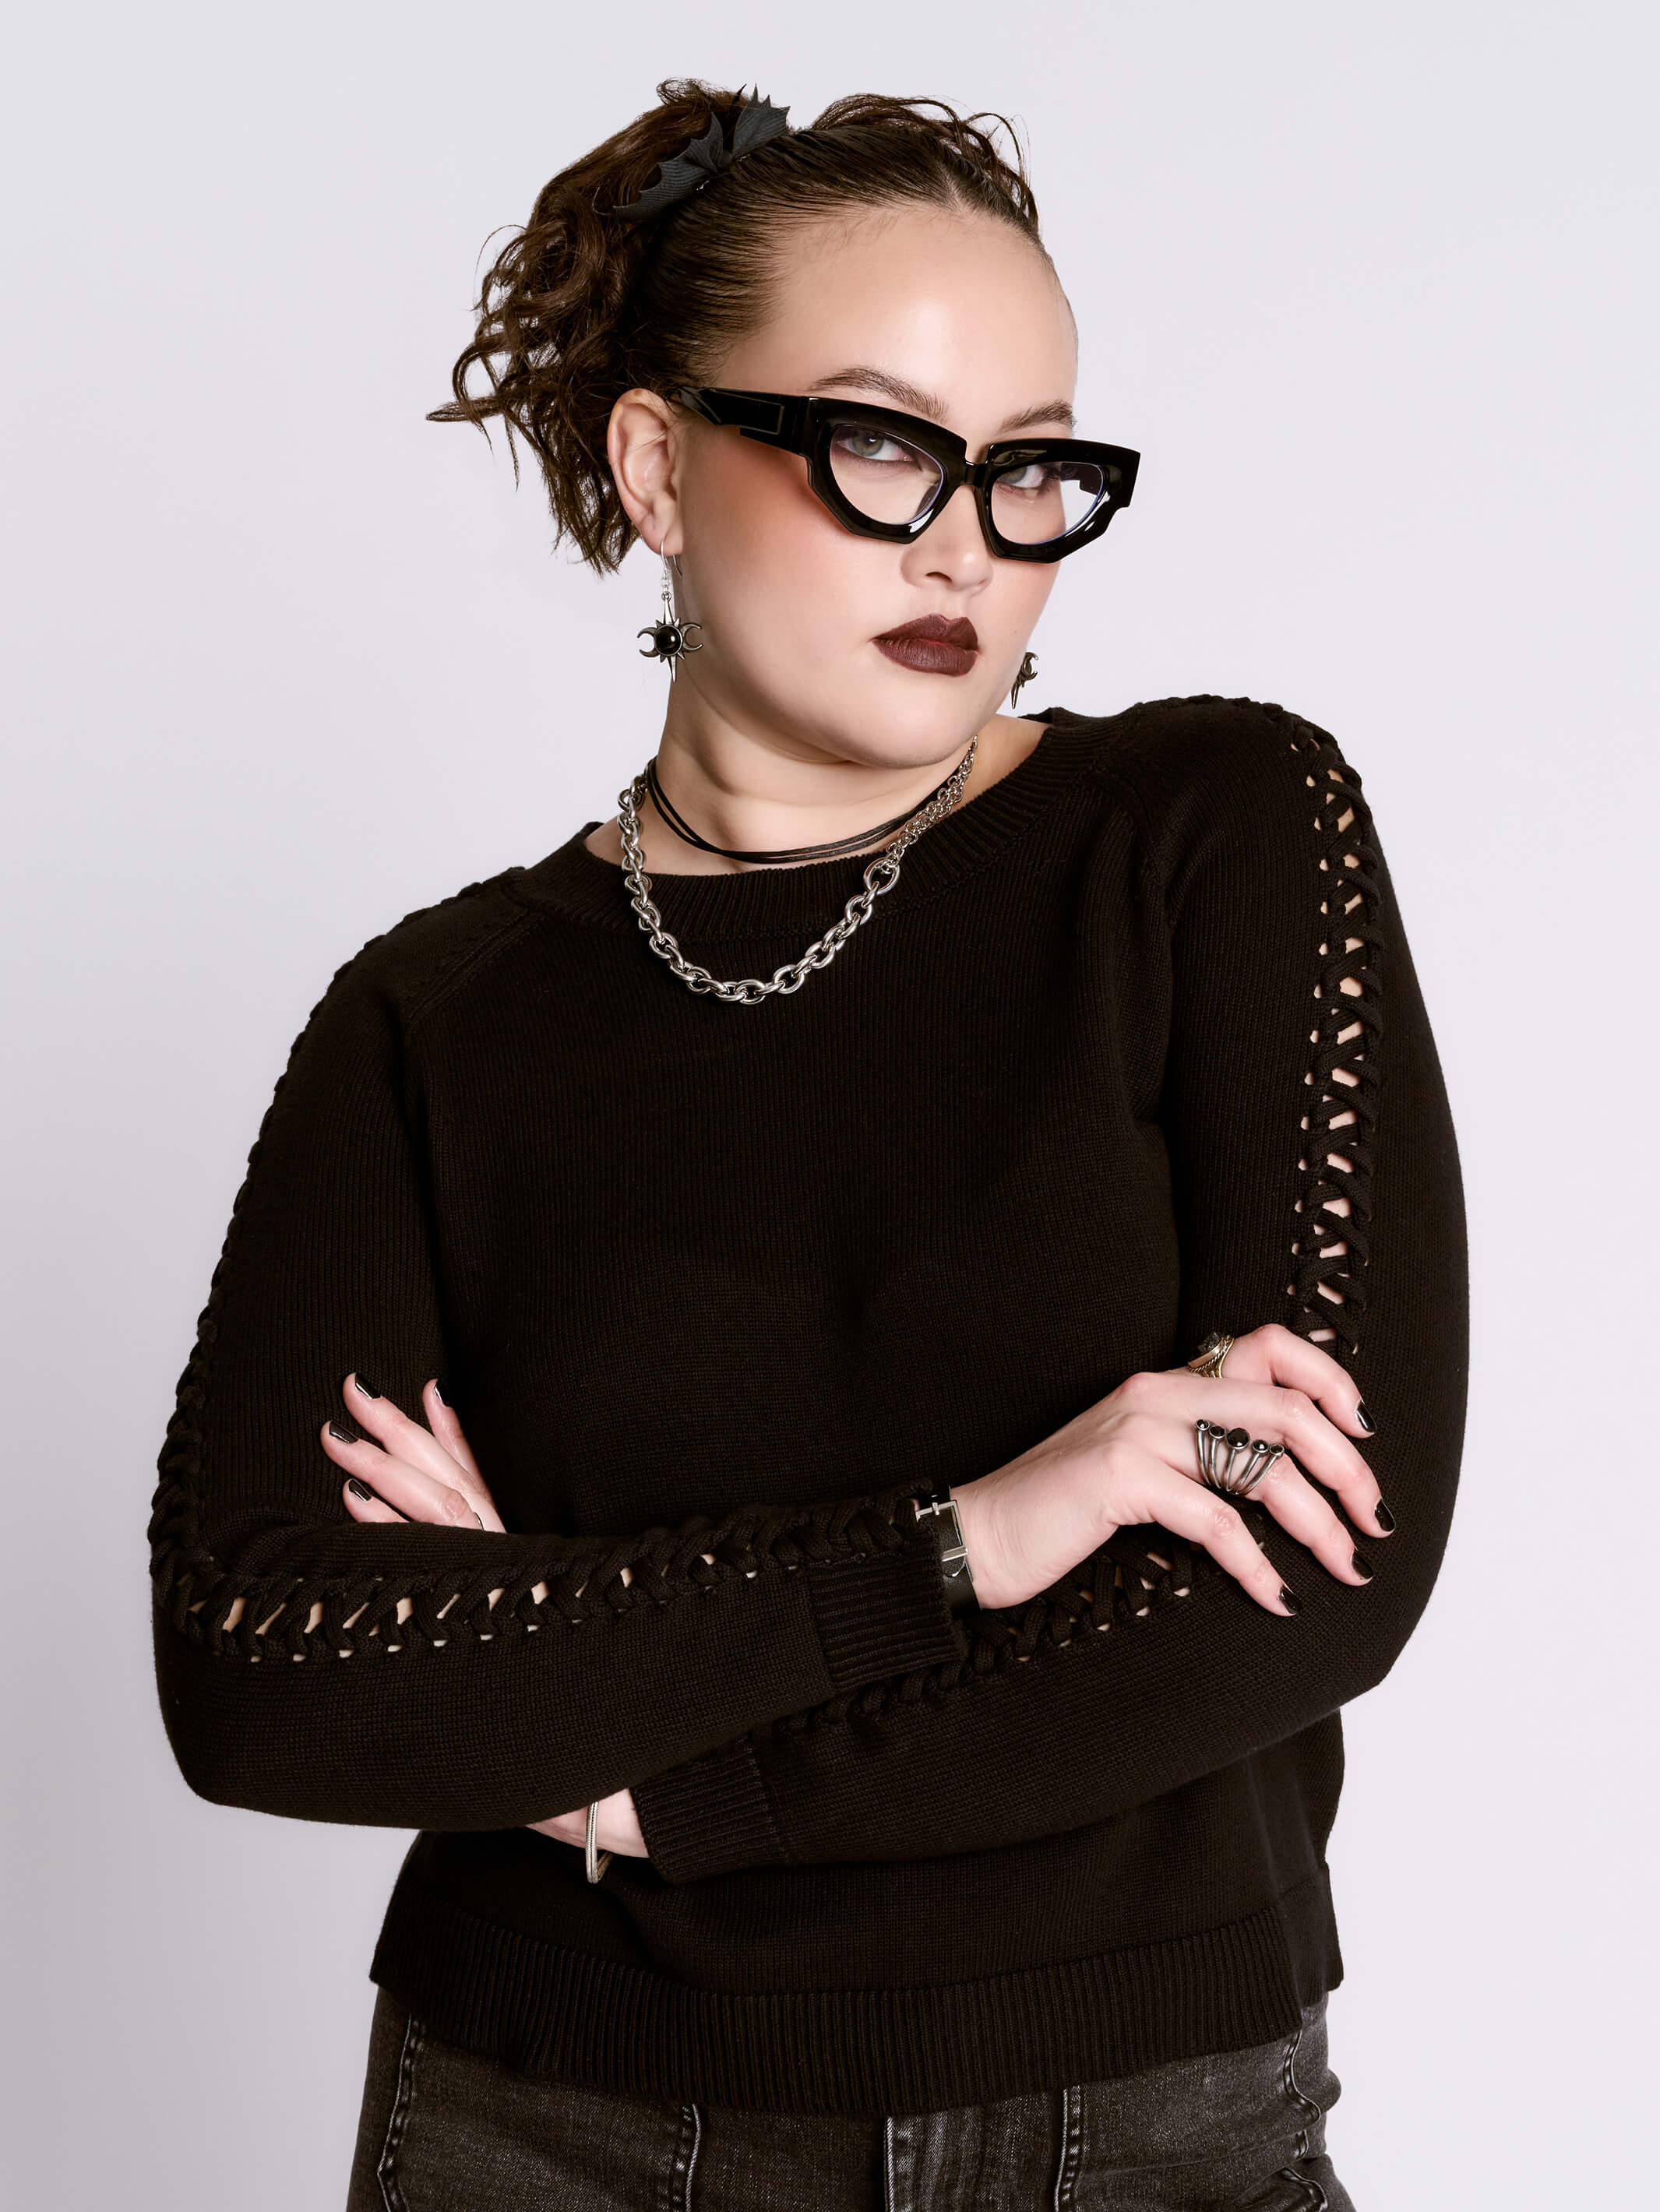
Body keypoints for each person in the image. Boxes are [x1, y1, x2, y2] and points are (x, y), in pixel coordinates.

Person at [147, 80, 1467, 2212]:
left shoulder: (1209, 834)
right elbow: (267, 1672)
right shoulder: (435, 1018)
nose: (965, 545)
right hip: (550, 2134)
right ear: (658, 465)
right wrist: (964, 1541)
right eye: (879, 446)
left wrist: (635, 1780)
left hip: (1145, 2140)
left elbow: (1299, 1583)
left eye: (1028, 468)